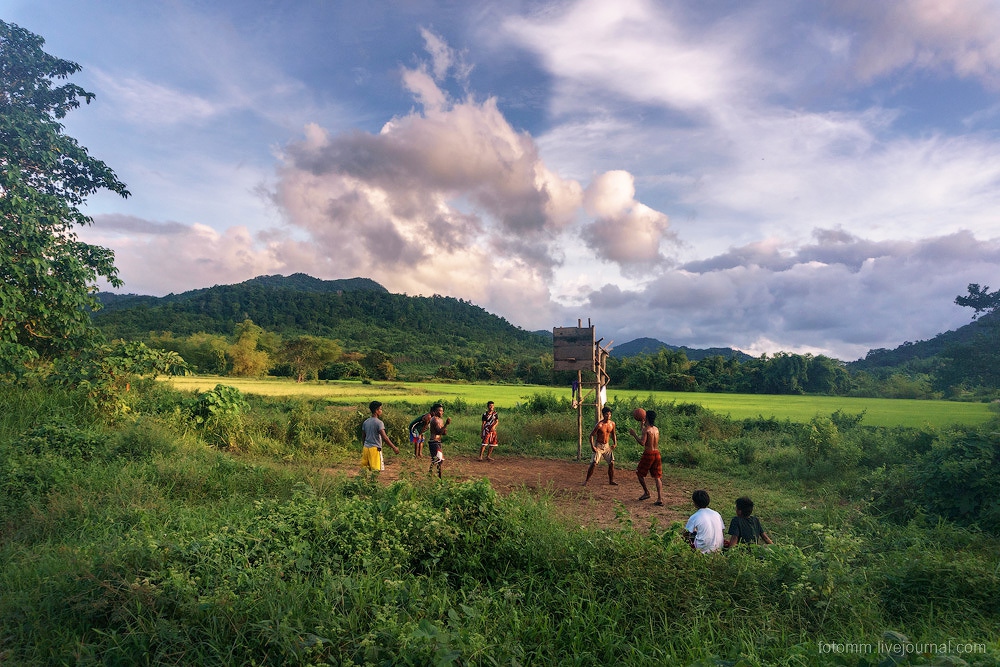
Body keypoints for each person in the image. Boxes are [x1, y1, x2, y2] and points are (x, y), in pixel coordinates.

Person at [628, 409, 662, 505]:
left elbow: (642, 443)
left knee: (639, 474)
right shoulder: (656, 429)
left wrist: (634, 434)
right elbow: (647, 433)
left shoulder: (646, 430)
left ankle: (646, 492)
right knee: (657, 477)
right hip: (657, 453)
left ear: (646, 417)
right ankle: (660, 498)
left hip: (648, 454)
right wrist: (642, 425)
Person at [360, 400, 399, 472]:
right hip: (375, 449)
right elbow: (385, 437)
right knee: (376, 471)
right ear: (376, 410)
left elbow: (363, 436)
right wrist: (394, 447)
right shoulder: (379, 423)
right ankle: (373, 483)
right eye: (380, 409)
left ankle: (364, 483)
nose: (381, 411)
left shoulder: (366, 422)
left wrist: (364, 446)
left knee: (365, 471)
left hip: (366, 448)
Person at [584, 406, 618, 485]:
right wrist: (592, 446)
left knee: (612, 463)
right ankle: (586, 481)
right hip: (599, 445)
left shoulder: (612, 424)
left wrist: (615, 443)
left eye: (609, 414)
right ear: (603, 415)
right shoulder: (599, 425)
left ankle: (611, 481)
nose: (608, 416)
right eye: (606, 414)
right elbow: (591, 435)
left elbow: (613, 434)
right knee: (594, 463)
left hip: (607, 446)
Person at [684, 489, 725, 554]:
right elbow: (722, 531)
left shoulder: (694, 517)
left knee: (691, 535)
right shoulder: (717, 514)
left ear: (694, 503)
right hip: (718, 549)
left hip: (702, 551)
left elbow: (685, 534)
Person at [427, 403, 450, 478]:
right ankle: (438, 477)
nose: (441, 412)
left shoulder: (440, 420)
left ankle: (430, 474)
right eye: (439, 410)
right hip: (434, 442)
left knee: (437, 459)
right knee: (439, 459)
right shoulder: (434, 420)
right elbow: (439, 432)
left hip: (438, 441)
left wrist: (445, 427)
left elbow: (444, 433)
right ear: (435, 411)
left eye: (442, 411)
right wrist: (446, 424)